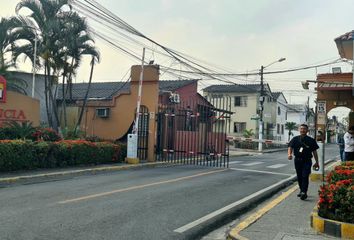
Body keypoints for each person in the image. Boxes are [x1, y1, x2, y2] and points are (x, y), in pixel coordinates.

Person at [288, 124, 319, 200]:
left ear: (307, 130)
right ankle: (301, 190)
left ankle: (304, 192)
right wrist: (289, 154)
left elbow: (314, 151)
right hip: (297, 160)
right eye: (301, 129)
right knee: (299, 176)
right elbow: (290, 147)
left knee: (305, 176)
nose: (302, 130)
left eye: (304, 129)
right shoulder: (295, 139)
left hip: (307, 160)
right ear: (299, 130)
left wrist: (317, 162)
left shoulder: (311, 140)